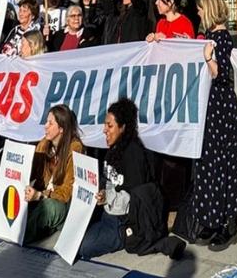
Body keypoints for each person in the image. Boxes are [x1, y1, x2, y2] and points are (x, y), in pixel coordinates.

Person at [78, 98, 185, 260]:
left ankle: (124, 238)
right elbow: (108, 182)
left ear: (123, 127)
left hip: (123, 221)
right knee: (73, 237)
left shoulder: (134, 154)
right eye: (105, 125)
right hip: (107, 214)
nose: (104, 130)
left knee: (84, 247)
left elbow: (135, 202)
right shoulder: (112, 150)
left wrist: (107, 198)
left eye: (110, 125)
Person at [187, 0, 237, 251]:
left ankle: (227, 223)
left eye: (200, 9)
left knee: (222, 163)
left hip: (221, 108)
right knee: (208, 163)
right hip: (208, 108)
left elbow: (220, 74)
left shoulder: (222, 38)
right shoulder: (208, 37)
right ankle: (210, 218)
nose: (198, 13)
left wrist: (209, 57)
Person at [22, 105, 87, 242]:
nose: (45, 126)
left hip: (62, 204)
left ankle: (20, 238)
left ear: (61, 128)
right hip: (42, 196)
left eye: (50, 123)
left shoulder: (75, 148)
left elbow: (66, 193)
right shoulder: (44, 144)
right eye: (46, 122)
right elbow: (28, 173)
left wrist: (40, 195)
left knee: (47, 207)